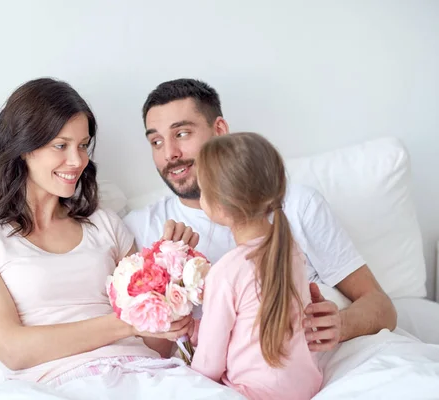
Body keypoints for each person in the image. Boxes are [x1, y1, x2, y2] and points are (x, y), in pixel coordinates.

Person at [0, 77, 242, 399]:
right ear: (23, 148)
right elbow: (13, 350)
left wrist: (170, 281)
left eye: (83, 145)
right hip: (55, 385)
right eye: (61, 145)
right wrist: (126, 324)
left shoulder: (105, 225)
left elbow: (156, 345)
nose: (77, 161)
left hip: (143, 373)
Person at [122, 78, 397, 351]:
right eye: (156, 142)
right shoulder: (143, 228)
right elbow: (155, 355)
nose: (170, 153)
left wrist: (340, 325)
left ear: (219, 130)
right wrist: (164, 272)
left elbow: (382, 306)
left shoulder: (297, 204)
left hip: (308, 363)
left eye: (181, 134)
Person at [188, 132, 323, 399]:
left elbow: (209, 364)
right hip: (307, 386)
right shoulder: (291, 250)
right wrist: (196, 329)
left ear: (220, 207)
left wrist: (189, 375)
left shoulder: (226, 271)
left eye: (202, 191)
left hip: (251, 392)